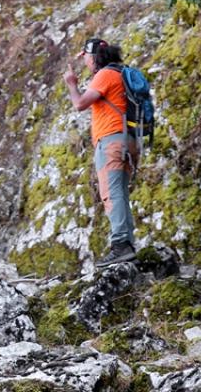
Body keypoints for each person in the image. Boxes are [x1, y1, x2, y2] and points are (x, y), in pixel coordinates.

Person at [63, 37, 138, 268]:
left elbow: (79, 104)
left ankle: (121, 245)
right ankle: (127, 244)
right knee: (120, 192)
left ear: (94, 57)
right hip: (128, 140)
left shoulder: (105, 75)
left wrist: (71, 84)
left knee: (112, 193)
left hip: (112, 140)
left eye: (85, 57)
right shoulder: (120, 73)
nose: (85, 62)